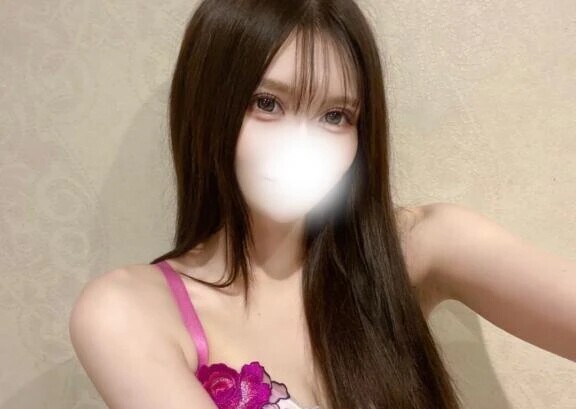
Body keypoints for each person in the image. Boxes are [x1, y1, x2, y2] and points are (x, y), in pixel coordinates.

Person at [68, 0, 576, 408]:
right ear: (207, 107)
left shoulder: (417, 248)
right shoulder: (130, 311)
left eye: (335, 116)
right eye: (268, 103)